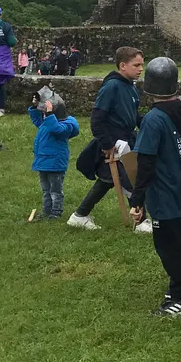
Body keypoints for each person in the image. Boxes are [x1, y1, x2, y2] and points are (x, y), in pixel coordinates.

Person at [126, 57, 181, 317]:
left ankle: (180, 294)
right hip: (180, 182)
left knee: (168, 244)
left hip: (164, 188)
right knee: (175, 238)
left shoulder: (154, 119)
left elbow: (145, 162)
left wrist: (137, 200)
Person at [69, 47, 147, 231]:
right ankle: (141, 222)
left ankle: (79, 215)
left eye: (141, 65)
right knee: (131, 178)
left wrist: (150, 125)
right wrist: (107, 145)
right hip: (115, 143)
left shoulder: (131, 87)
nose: (140, 69)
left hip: (127, 140)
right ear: (122, 66)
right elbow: (97, 119)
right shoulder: (111, 86)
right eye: (136, 65)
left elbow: (133, 115)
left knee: (107, 179)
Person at [29, 92, 79, 220]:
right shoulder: (46, 122)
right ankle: (46, 211)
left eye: (45, 112)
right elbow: (37, 120)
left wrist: (50, 114)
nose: (44, 114)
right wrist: (34, 107)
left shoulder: (67, 124)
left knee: (55, 190)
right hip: (43, 162)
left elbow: (56, 130)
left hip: (55, 163)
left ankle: (56, 212)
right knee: (46, 190)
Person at [0, 6, 15, 116]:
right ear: (1, 14)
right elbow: (12, 42)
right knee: (0, 84)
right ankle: (0, 109)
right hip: (2, 57)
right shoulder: (6, 26)